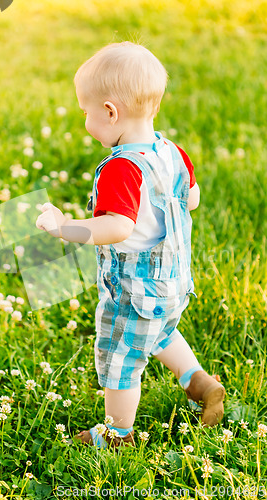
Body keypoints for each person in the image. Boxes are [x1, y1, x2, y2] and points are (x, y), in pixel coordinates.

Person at [35, 41, 225, 450]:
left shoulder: (123, 167)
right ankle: (199, 382)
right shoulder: (171, 151)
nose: (86, 121)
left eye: (86, 112)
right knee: (160, 332)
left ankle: (117, 432)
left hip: (134, 290)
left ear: (109, 112)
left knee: (121, 360)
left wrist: (64, 227)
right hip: (173, 283)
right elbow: (191, 198)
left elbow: (117, 227)